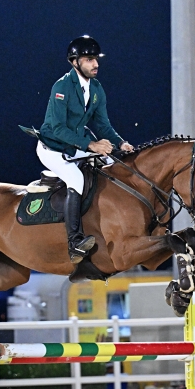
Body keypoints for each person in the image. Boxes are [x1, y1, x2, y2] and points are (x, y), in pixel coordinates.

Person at [37, 35, 134, 263]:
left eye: (96, 59)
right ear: (75, 62)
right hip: (52, 147)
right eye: (89, 59)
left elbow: (102, 125)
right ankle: (75, 242)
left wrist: (121, 143)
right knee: (76, 179)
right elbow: (59, 129)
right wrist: (92, 145)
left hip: (75, 145)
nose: (96, 64)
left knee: (112, 166)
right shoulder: (61, 87)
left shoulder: (97, 88)